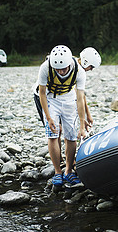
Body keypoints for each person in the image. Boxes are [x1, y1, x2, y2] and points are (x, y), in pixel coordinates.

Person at [36, 45, 87, 191]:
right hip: (51, 98)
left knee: (71, 136)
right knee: (53, 135)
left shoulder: (79, 71)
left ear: (69, 63)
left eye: (63, 68)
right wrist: (49, 117)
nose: (61, 71)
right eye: (57, 69)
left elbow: (80, 97)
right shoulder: (45, 67)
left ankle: (69, 171)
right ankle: (58, 171)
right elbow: (42, 93)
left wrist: (82, 125)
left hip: (69, 99)